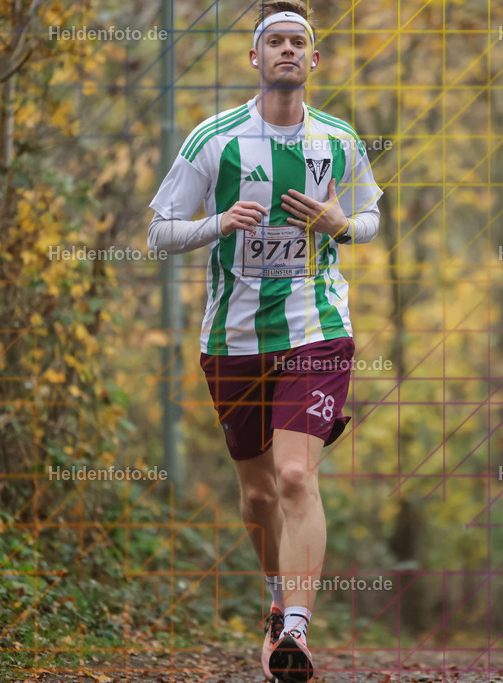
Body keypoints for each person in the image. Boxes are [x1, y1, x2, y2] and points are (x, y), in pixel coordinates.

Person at [147, 2, 383, 679]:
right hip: (234, 338)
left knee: (293, 474)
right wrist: (218, 222)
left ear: (315, 60)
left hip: (317, 330)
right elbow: (158, 232)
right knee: (256, 496)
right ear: (254, 57)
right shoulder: (214, 140)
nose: (286, 51)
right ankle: (278, 603)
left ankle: (299, 635)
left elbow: (370, 215)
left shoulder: (338, 139)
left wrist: (341, 223)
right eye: (274, 41)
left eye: (297, 43)